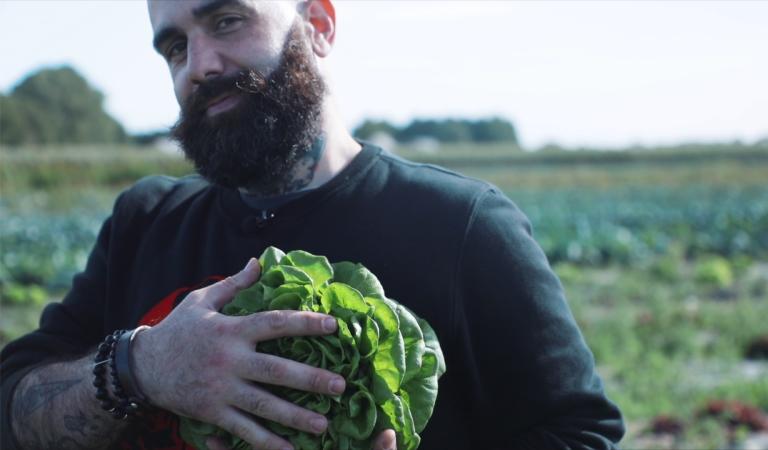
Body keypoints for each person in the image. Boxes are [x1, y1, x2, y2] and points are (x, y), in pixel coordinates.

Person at [0, 1, 625, 449]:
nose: (199, 64)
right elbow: (11, 411)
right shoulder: (144, 223)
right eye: (174, 47)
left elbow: (582, 434)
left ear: (319, 25)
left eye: (227, 20)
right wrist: (141, 366)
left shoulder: (463, 226)